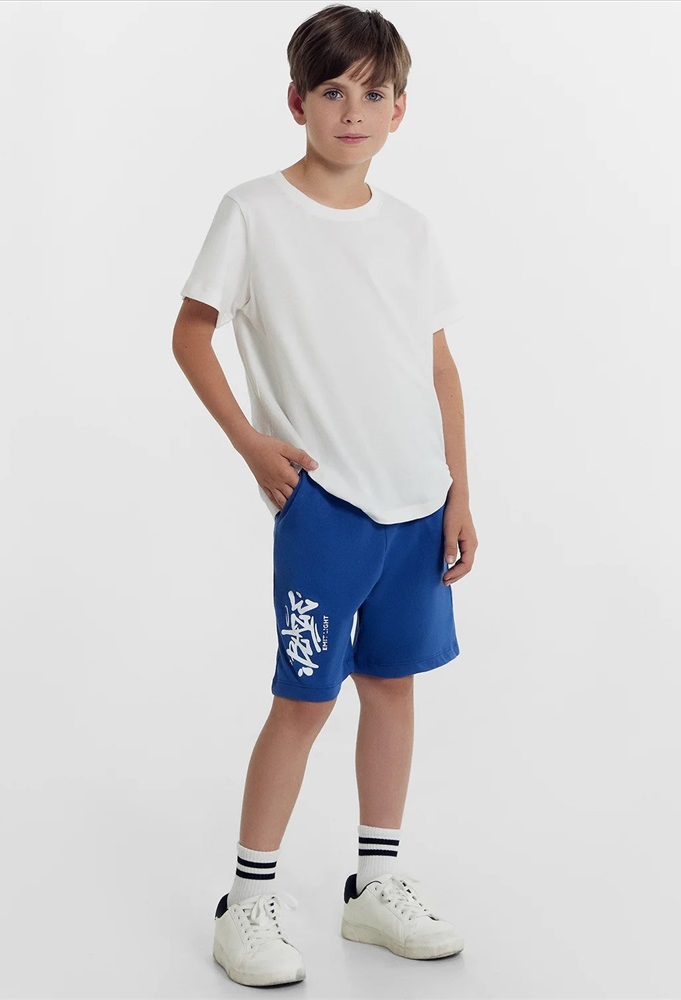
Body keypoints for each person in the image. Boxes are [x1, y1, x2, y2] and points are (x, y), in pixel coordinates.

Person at [173, 3, 478, 988]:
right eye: (334, 91)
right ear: (297, 101)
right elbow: (191, 332)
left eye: (375, 93)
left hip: (416, 504)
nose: (354, 110)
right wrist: (251, 445)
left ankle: (373, 886)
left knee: (392, 688)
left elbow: (439, 366)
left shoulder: (411, 231)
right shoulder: (254, 212)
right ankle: (248, 900)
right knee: (303, 699)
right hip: (326, 505)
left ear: (400, 110)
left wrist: (459, 493)